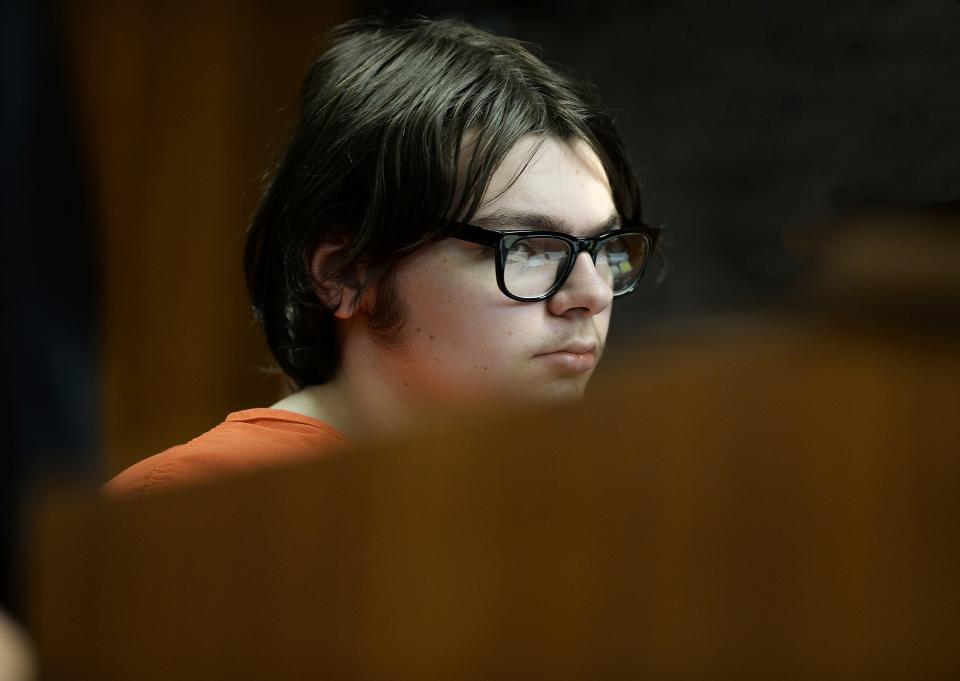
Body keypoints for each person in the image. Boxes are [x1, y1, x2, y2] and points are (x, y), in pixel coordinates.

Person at [105, 16, 659, 498]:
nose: (592, 294)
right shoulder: (201, 502)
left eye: (603, 248)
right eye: (530, 247)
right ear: (345, 272)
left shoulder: (535, 509)